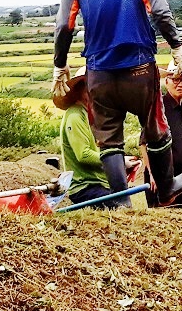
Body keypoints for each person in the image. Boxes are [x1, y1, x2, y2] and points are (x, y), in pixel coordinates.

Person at [52, 0, 182, 207]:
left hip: (99, 73)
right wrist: (177, 48)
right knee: (155, 126)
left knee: (108, 139)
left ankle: (121, 203)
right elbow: (159, 10)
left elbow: (65, 24)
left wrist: (60, 63)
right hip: (139, 67)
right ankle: (166, 188)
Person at [56, 67, 141, 208]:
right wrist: (119, 162)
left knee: (124, 203)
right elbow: (83, 155)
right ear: (80, 89)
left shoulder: (93, 115)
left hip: (100, 184)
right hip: (85, 187)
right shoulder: (75, 116)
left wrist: (120, 165)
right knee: (119, 207)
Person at [142, 61, 182, 207]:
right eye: (176, 79)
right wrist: (152, 175)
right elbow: (143, 143)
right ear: (166, 81)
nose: (181, 84)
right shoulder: (158, 107)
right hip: (162, 178)